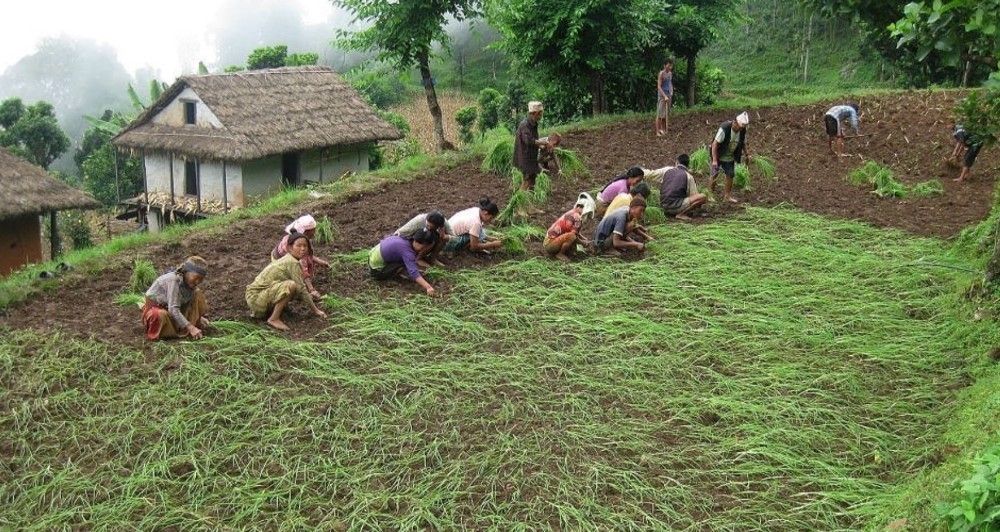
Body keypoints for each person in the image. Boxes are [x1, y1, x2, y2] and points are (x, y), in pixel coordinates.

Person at [247, 233, 328, 331]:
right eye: (298, 246)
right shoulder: (292, 263)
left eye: (305, 246)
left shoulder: (290, 259)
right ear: (289, 247)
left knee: (293, 286)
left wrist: (310, 297)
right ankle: (274, 318)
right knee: (291, 285)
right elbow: (301, 288)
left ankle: (278, 310)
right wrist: (316, 311)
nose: (302, 249)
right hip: (256, 298)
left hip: (259, 295)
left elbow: (300, 290)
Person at [142, 256, 210, 341]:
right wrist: (191, 328)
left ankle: (192, 323)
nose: (197, 282)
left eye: (201, 279)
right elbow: (173, 309)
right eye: (196, 278)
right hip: (160, 310)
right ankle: (169, 332)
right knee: (158, 315)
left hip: (174, 309)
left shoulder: (188, 283)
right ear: (187, 272)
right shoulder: (173, 280)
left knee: (197, 294)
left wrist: (199, 317)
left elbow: (188, 303)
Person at [271, 214, 330, 299]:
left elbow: (307, 256)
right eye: (314, 230)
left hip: (275, 254)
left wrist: (319, 261)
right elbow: (303, 269)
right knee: (295, 281)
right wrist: (311, 289)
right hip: (279, 262)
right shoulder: (299, 248)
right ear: (307, 232)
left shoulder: (296, 237)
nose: (315, 231)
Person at [369, 229, 438, 296]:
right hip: (376, 271)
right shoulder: (408, 252)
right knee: (407, 264)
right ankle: (390, 274)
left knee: (408, 262)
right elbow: (413, 272)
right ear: (418, 243)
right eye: (425, 247)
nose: (424, 249)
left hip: (372, 258)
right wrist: (428, 287)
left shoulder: (405, 239)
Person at [709, 111, 752, 204]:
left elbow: (743, 142)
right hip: (719, 153)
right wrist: (715, 160)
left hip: (730, 155)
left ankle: (727, 196)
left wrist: (747, 154)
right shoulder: (725, 128)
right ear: (735, 122)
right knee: (714, 173)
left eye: (742, 128)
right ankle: (711, 194)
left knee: (730, 174)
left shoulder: (742, 131)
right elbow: (715, 144)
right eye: (739, 127)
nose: (740, 130)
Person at [543, 193, 595, 262]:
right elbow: (572, 235)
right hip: (551, 245)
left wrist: (583, 238)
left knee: (572, 236)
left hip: (548, 242)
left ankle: (568, 252)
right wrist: (583, 242)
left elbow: (574, 232)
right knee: (572, 236)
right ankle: (560, 254)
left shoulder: (572, 213)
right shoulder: (578, 218)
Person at [660, 153, 709, 221]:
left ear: (677, 162)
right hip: (675, 207)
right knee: (702, 197)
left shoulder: (667, 172)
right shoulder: (688, 176)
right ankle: (681, 214)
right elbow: (694, 194)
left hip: (663, 207)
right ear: (688, 165)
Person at [514, 101, 547, 191]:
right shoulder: (525, 125)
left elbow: (533, 139)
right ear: (536, 113)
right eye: (540, 114)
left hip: (531, 156)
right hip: (525, 157)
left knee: (533, 178)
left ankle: (530, 197)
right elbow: (528, 141)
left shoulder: (533, 124)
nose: (541, 116)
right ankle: (519, 199)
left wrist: (540, 146)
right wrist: (543, 143)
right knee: (527, 181)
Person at [655, 58, 674, 137]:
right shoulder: (661, 74)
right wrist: (664, 96)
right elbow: (659, 87)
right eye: (668, 65)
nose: (670, 67)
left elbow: (670, 83)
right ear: (665, 65)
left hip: (668, 94)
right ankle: (657, 131)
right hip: (662, 95)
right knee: (660, 114)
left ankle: (664, 129)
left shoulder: (670, 74)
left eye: (671, 66)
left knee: (666, 114)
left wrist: (671, 92)